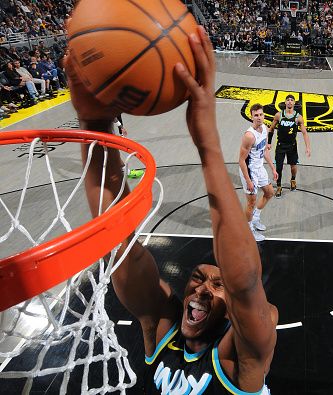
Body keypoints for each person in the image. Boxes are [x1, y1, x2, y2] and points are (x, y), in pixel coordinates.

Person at [66, 26, 278, 394]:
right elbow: (124, 251)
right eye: (198, 278)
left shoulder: (238, 356)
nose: (201, 289)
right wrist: (95, 125)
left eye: (216, 284)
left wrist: (207, 142)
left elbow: (244, 283)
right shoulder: (164, 329)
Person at [239, 103, 278, 242]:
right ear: (251, 117)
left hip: (259, 168)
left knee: (269, 192)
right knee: (251, 202)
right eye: (256, 115)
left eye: (261, 114)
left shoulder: (265, 129)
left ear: (264, 115)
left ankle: (255, 218)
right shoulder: (249, 136)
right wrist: (248, 180)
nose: (259, 117)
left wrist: (272, 168)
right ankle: (248, 230)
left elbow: (265, 151)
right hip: (249, 170)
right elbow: (241, 160)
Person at [267, 94, 311, 198]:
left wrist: (308, 147)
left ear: (294, 103)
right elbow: (271, 129)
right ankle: (278, 186)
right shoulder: (279, 115)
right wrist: (269, 142)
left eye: (292, 100)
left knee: (293, 166)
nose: (290, 102)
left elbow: (304, 133)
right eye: (288, 100)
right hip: (280, 145)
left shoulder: (298, 117)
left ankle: (293, 179)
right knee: (279, 167)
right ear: (285, 102)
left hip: (292, 146)